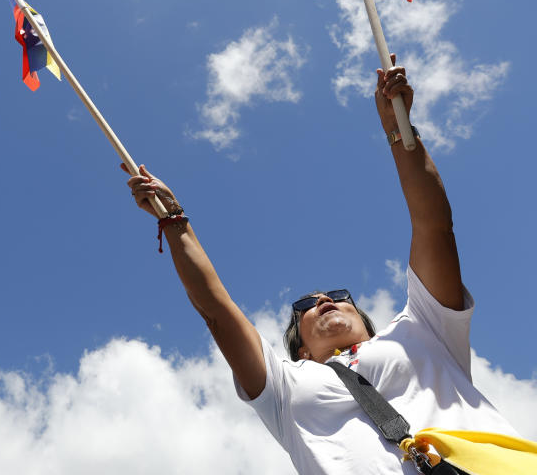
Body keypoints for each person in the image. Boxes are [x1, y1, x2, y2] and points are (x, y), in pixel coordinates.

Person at [123, 57, 519, 474]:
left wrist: (398, 129)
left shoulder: (422, 329)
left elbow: (434, 226)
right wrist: (174, 221)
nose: (324, 301)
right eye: (307, 305)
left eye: (336, 297)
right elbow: (217, 312)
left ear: (366, 322)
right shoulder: (283, 388)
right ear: (299, 351)